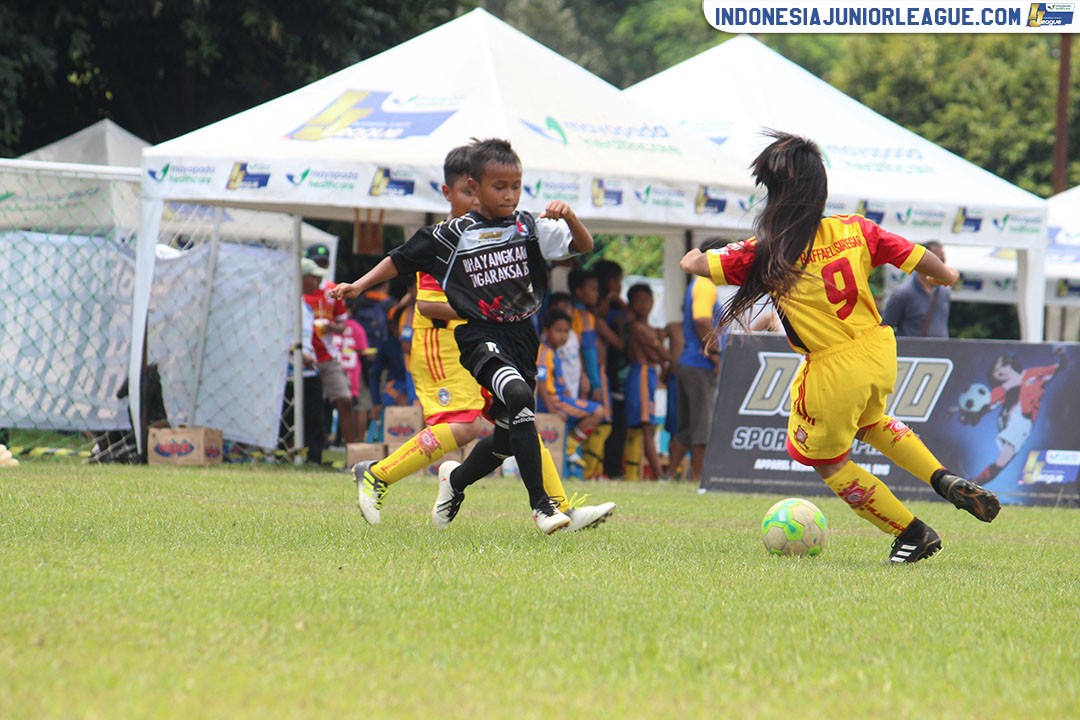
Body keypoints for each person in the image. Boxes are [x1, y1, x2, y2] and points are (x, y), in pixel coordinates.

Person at [680, 131, 1000, 564]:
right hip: (877, 350)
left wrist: (702, 250)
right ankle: (941, 477)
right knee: (871, 422)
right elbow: (918, 256)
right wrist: (947, 274)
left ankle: (912, 532)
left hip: (831, 368)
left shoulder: (770, 252)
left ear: (776, 197)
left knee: (828, 461)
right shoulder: (855, 229)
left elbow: (694, 264)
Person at [333, 139, 609, 534]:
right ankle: (378, 474)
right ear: (458, 191)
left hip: (505, 336)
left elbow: (578, 247)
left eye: (514, 186)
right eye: (484, 188)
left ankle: (535, 501)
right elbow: (427, 304)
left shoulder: (517, 227)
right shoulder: (448, 240)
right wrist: (359, 286)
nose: (506, 195)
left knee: (515, 423)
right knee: (469, 424)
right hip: (447, 341)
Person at [963, 349, 1067, 485]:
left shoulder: (1033, 374)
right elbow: (986, 404)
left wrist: (1062, 355)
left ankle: (974, 483)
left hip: (1021, 423)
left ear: (1007, 365)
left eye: (998, 372)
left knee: (1001, 462)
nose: (997, 376)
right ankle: (973, 484)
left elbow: (1059, 367)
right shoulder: (1004, 389)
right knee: (1001, 461)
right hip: (1007, 421)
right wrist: (967, 415)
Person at [668, 238, 726, 483]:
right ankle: (699, 479)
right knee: (702, 427)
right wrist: (715, 352)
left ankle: (669, 477)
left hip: (687, 362)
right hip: (700, 365)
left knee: (685, 427)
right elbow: (701, 320)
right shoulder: (705, 285)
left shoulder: (696, 284)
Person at [302, 258, 360, 445]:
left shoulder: (332, 290)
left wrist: (331, 326)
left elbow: (342, 325)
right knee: (308, 406)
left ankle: (353, 451)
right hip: (301, 359)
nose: (317, 279)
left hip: (326, 356)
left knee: (345, 401)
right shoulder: (294, 296)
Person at [536, 310, 605, 468]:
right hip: (554, 401)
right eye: (558, 330)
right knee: (598, 412)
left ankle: (570, 446)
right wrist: (552, 410)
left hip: (561, 399)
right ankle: (570, 447)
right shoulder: (544, 351)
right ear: (546, 330)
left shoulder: (555, 351)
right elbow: (540, 383)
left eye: (566, 331)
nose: (563, 336)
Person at [622, 284, 668, 481]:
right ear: (631, 304)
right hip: (640, 374)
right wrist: (669, 362)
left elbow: (655, 354)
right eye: (638, 301)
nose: (643, 305)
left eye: (647, 300)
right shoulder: (637, 327)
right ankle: (658, 475)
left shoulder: (650, 328)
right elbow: (660, 354)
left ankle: (637, 473)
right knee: (647, 426)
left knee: (646, 426)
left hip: (648, 375)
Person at [882, 240, 952, 338]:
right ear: (925, 262)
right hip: (910, 347)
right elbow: (886, 325)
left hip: (941, 347)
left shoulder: (944, 291)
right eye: (938, 261)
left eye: (943, 261)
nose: (942, 266)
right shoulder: (903, 294)